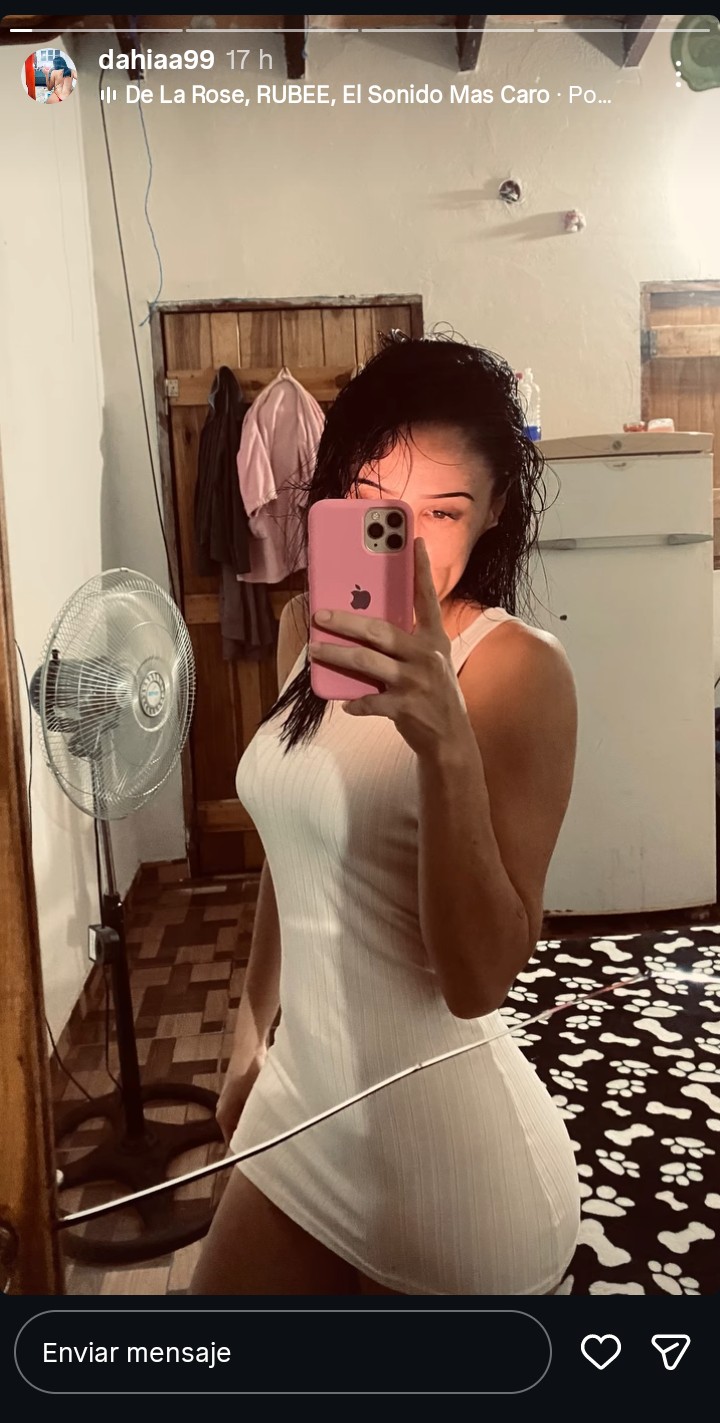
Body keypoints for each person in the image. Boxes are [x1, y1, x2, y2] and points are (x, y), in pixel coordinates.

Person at [191, 334, 581, 1296]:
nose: (406, 547)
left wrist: (444, 739)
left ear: (496, 509)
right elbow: (297, 846)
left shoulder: (518, 672)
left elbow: (478, 978)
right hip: (304, 1101)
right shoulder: (305, 628)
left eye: (443, 512)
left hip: (448, 1160)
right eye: (376, 506)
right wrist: (249, 1029)